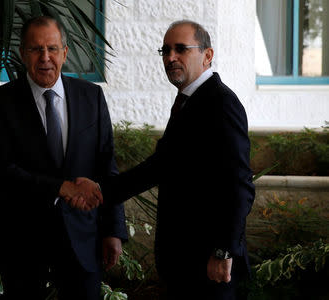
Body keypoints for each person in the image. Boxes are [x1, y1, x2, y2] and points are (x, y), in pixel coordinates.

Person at [71, 20, 255, 300]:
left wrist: (223, 251)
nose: (171, 57)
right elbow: (158, 168)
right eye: (166, 50)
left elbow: (240, 185)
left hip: (210, 264)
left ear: (207, 56)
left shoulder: (220, 103)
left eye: (181, 49)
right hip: (185, 263)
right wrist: (101, 191)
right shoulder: (188, 101)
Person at [0, 16, 127, 300]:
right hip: (21, 243)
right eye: (36, 49)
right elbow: (3, 170)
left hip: (83, 240)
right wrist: (61, 187)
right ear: (23, 54)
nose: (45, 57)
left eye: (52, 48)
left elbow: (107, 165)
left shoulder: (91, 97)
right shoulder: (0, 102)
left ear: (65, 52)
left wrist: (114, 231)